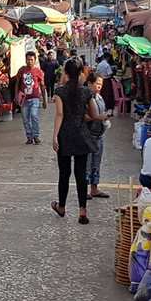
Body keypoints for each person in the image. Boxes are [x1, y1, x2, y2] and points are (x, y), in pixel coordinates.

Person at [51, 58, 100, 224]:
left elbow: (60, 115)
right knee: (80, 174)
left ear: (65, 73)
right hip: (81, 136)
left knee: (64, 174)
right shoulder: (87, 92)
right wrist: (83, 116)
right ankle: (82, 211)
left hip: (65, 136)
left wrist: (55, 136)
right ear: (81, 74)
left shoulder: (59, 92)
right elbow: (94, 114)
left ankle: (62, 207)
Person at [85, 73, 112, 199]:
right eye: (97, 84)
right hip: (88, 135)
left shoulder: (99, 98)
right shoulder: (85, 97)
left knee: (96, 163)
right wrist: (97, 117)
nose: (99, 87)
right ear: (89, 83)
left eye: (101, 84)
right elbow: (82, 117)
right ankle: (83, 189)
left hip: (99, 135)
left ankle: (94, 188)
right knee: (86, 164)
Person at [15, 50, 47, 144]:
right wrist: (17, 95)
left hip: (35, 98)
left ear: (35, 60)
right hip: (24, 99)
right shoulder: (21, 70)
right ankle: (29, 136)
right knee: (25, 119)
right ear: (26, 60)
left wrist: (44, 100)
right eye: (28, 60)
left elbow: (42, 86)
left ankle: (36, 136)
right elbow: (17, 83)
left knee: (34, 115)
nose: (30, 62)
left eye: (31, 60)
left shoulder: (38, 72)